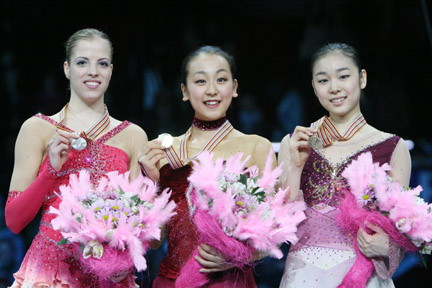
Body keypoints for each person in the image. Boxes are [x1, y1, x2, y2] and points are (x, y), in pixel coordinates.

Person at [5, 28, 147, 287]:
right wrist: (50, 170)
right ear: (67, 69)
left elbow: (146, 230)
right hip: (49, 273)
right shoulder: (37, 128)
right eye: (82, 62)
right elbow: (14, 222)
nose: (93, 71)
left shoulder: (133, 136)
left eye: (102, 63)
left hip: (111, 276)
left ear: (111, 71)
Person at [139, 45, 274, 287]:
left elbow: (272, 235)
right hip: (172, 280)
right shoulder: (163, 151)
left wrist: (237, 256)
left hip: (231, 281)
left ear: (234, 88)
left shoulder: (257, 147)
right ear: (184, 91)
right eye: (201, 81)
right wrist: (152, 183)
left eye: (221, 79)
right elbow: (156, 240)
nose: (212, 90)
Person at [278, 43, 411, 288]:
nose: (335, 87)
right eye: (323, 80)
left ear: (362, 78)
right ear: (314, 87)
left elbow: (401, 225)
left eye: (343, 76)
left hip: (365, 275)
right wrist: (295, 168)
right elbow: (279, 225)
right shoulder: (295, 143)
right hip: (303, 275)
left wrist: (388, 246)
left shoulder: (393, 147)